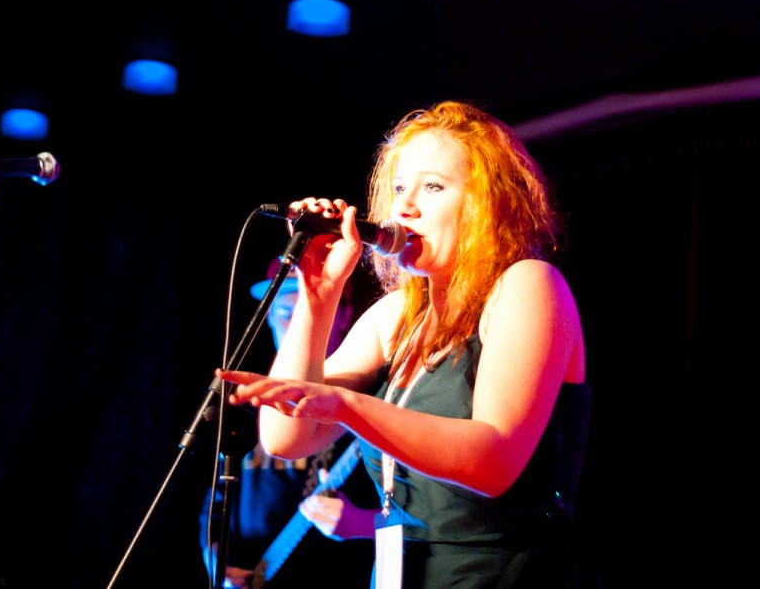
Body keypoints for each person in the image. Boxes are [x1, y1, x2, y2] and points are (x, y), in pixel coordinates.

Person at [218, 100, 594, 588]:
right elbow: (286, 438)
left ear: (489, 203)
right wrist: (318, 297)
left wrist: (346, 406)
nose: (403, 208)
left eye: (432, 187)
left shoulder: (527, 285)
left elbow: (494, 462)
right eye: (398, 188)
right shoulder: (397, 315)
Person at [199, 258, 380, 589]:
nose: (298, 329)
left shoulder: (371, 397)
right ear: (268, 318)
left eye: (310, 313)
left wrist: (361, 525)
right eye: (286, 314)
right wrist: (215, 556)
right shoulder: (246, 399)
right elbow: (216, 497)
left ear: (344, 316)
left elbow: (424, 515)